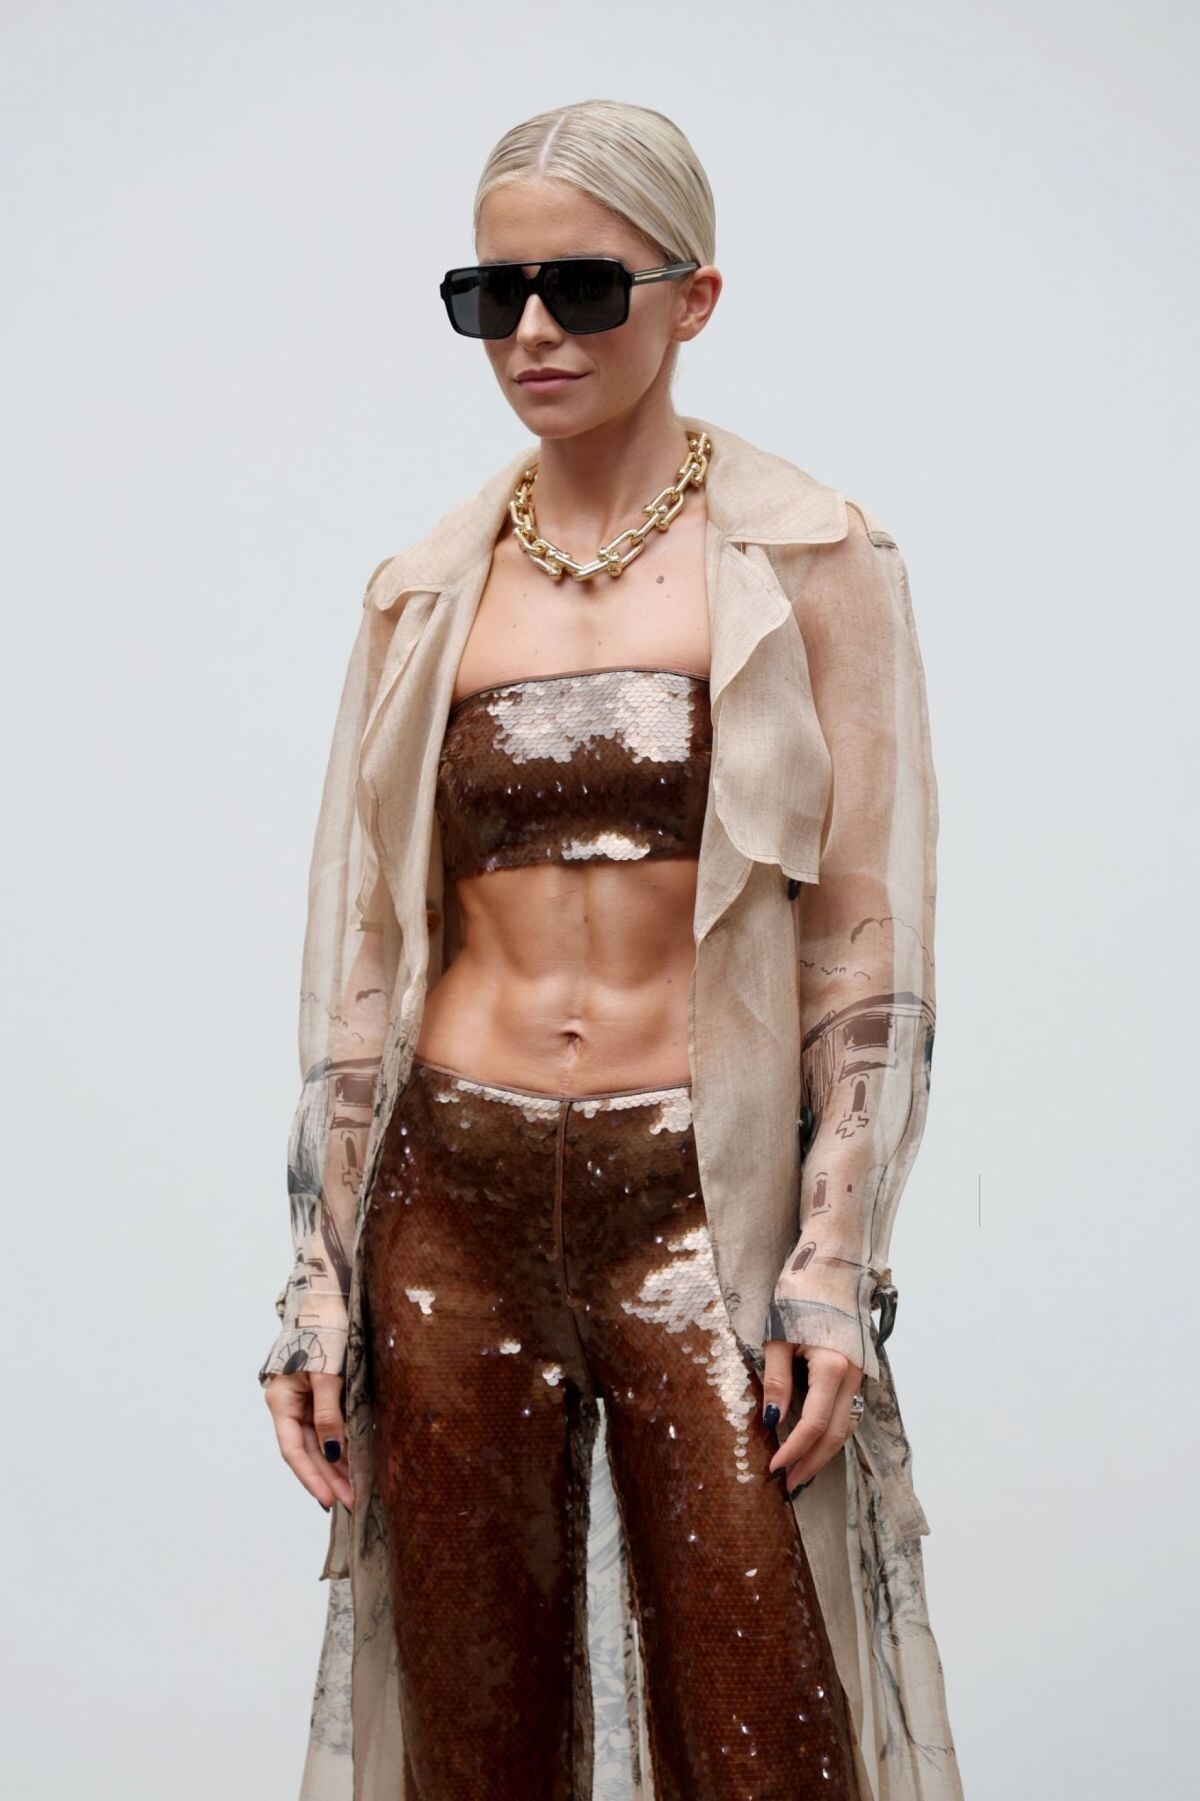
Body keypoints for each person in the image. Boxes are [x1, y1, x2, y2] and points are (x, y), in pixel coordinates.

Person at [258, 98, 962, 1801]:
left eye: (581, 287)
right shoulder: (426, 592)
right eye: (490, 294)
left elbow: (864, 948)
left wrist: (831, 1260)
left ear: (694, 297)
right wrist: (316, 1275)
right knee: (473, 1734)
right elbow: (368, 955)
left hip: (698, 1202)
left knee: (765, 1721)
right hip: (452, 1200)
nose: (534, 333)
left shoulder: (813, 560)